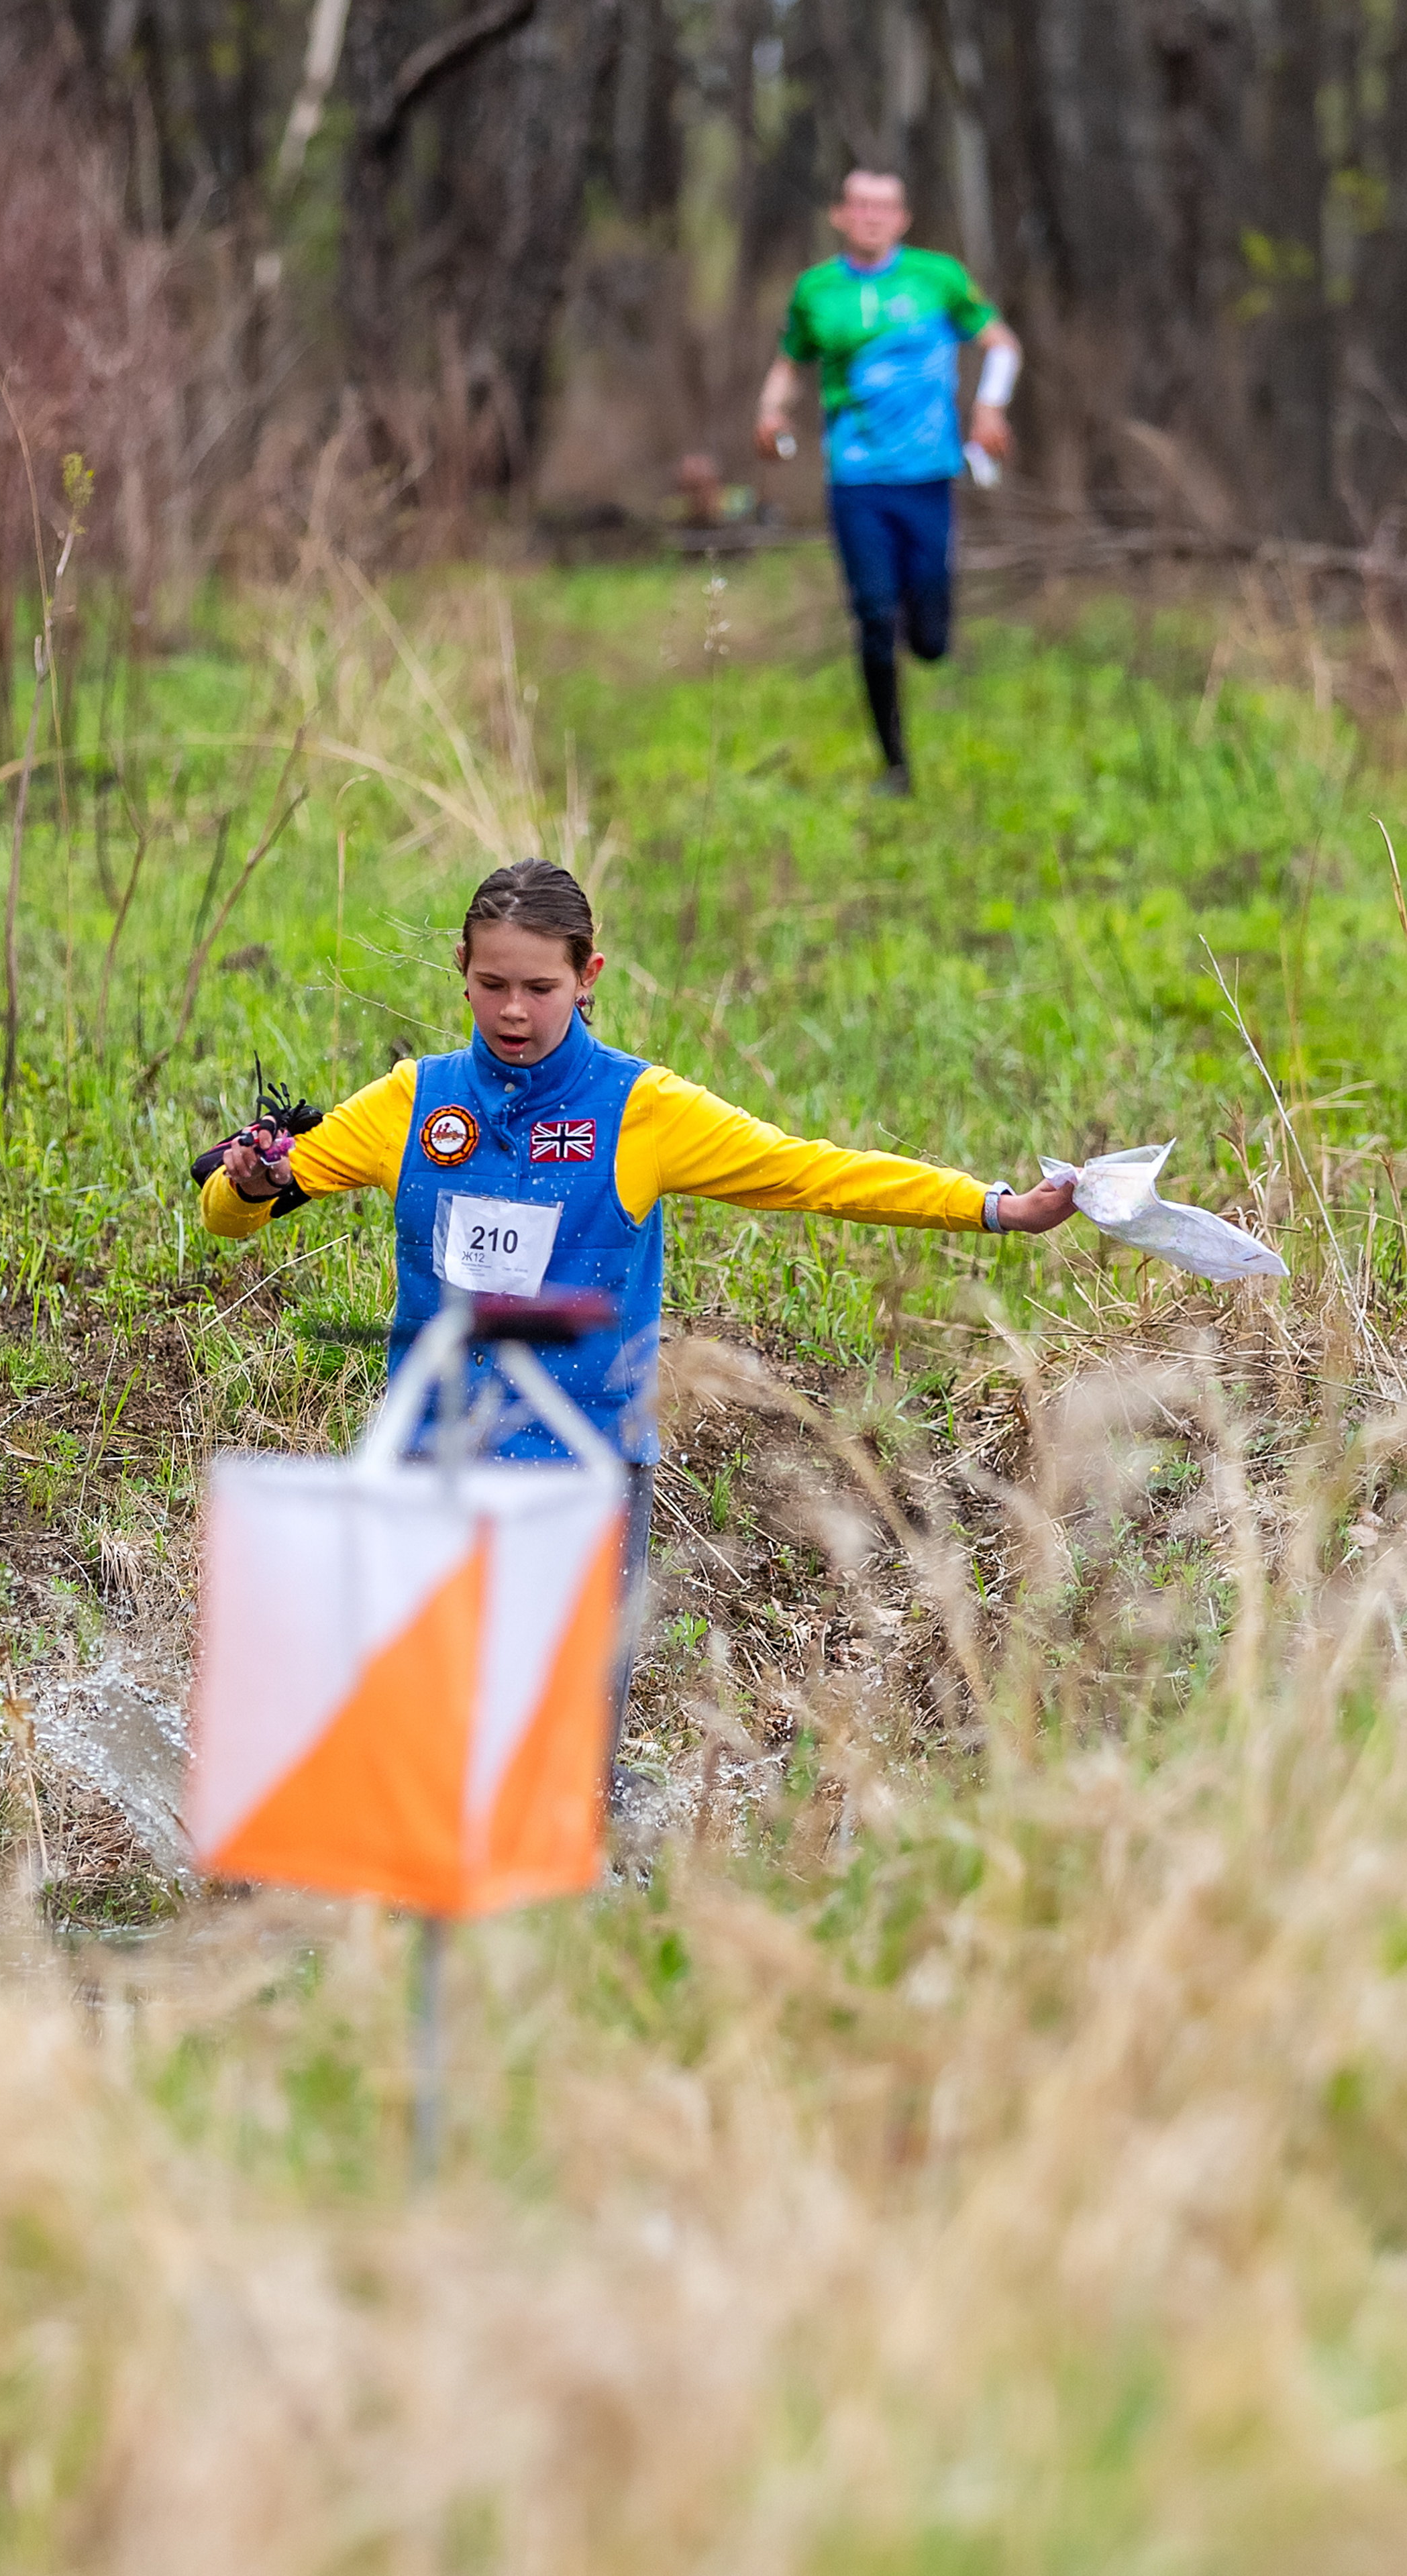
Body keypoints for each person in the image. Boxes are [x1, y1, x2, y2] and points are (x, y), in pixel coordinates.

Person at [197, 858, 1074, 1755]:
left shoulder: (640, 1110)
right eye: (491, 984)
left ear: (589, 979)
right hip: (431, 1466)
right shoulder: (413, 1101)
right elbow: (233, 1217)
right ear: (460, 965)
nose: (511, 1012)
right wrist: (250, 1183)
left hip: (585, 1475)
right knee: (424, 1746)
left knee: (571, 1764)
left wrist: (997, 1207)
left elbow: (812, 1172)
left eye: (540, 988)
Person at [754, 168, 1021, 796]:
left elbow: (1001, 345)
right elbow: (789, 364)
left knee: (929, 639)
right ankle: (895, 764)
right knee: (874, 619)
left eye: (884, 207)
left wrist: (989, 408)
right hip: (856, 480)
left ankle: (919, 628)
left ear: (902, 219)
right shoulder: (816, 291)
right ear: (840, 216)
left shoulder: (939, 279)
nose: (871, 216)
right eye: (860, 206)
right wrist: (770, 412)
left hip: (928, 476)